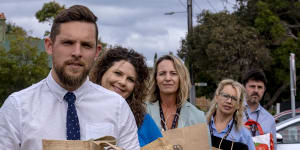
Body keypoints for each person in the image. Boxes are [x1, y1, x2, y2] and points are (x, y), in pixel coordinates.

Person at [0, 5, 139, 150]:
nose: (77, 52)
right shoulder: (18, 108)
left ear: (97, 52)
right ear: (49, 46)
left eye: (86, 45)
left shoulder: (117, 108)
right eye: (68, 43)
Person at [90, 46, 162, 147]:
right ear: (102, 72)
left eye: (130, 79)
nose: (123, 82)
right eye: (118, 73)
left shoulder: (143, 120)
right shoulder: (78, 108)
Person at [146, 55, 207, 131]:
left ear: (181, 78)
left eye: (173, 73)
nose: (167, 78)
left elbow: (204, 143)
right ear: (156, 79)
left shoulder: (198, 116)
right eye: (162, 73)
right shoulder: (143, 111)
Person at [206, 79, 255, 150]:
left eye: (234, 98)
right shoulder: (200, 125)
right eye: (225, 96)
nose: (229, 101)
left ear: (238, 105)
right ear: (217, 97)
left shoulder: (244, 135)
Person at [242, 69, 277, 149]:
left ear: (264, 90)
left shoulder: (270, 119)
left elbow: (273, 147)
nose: (256, 90)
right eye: (252, 86)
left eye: (260, 87)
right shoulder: (232, 112)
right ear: (244, 88)